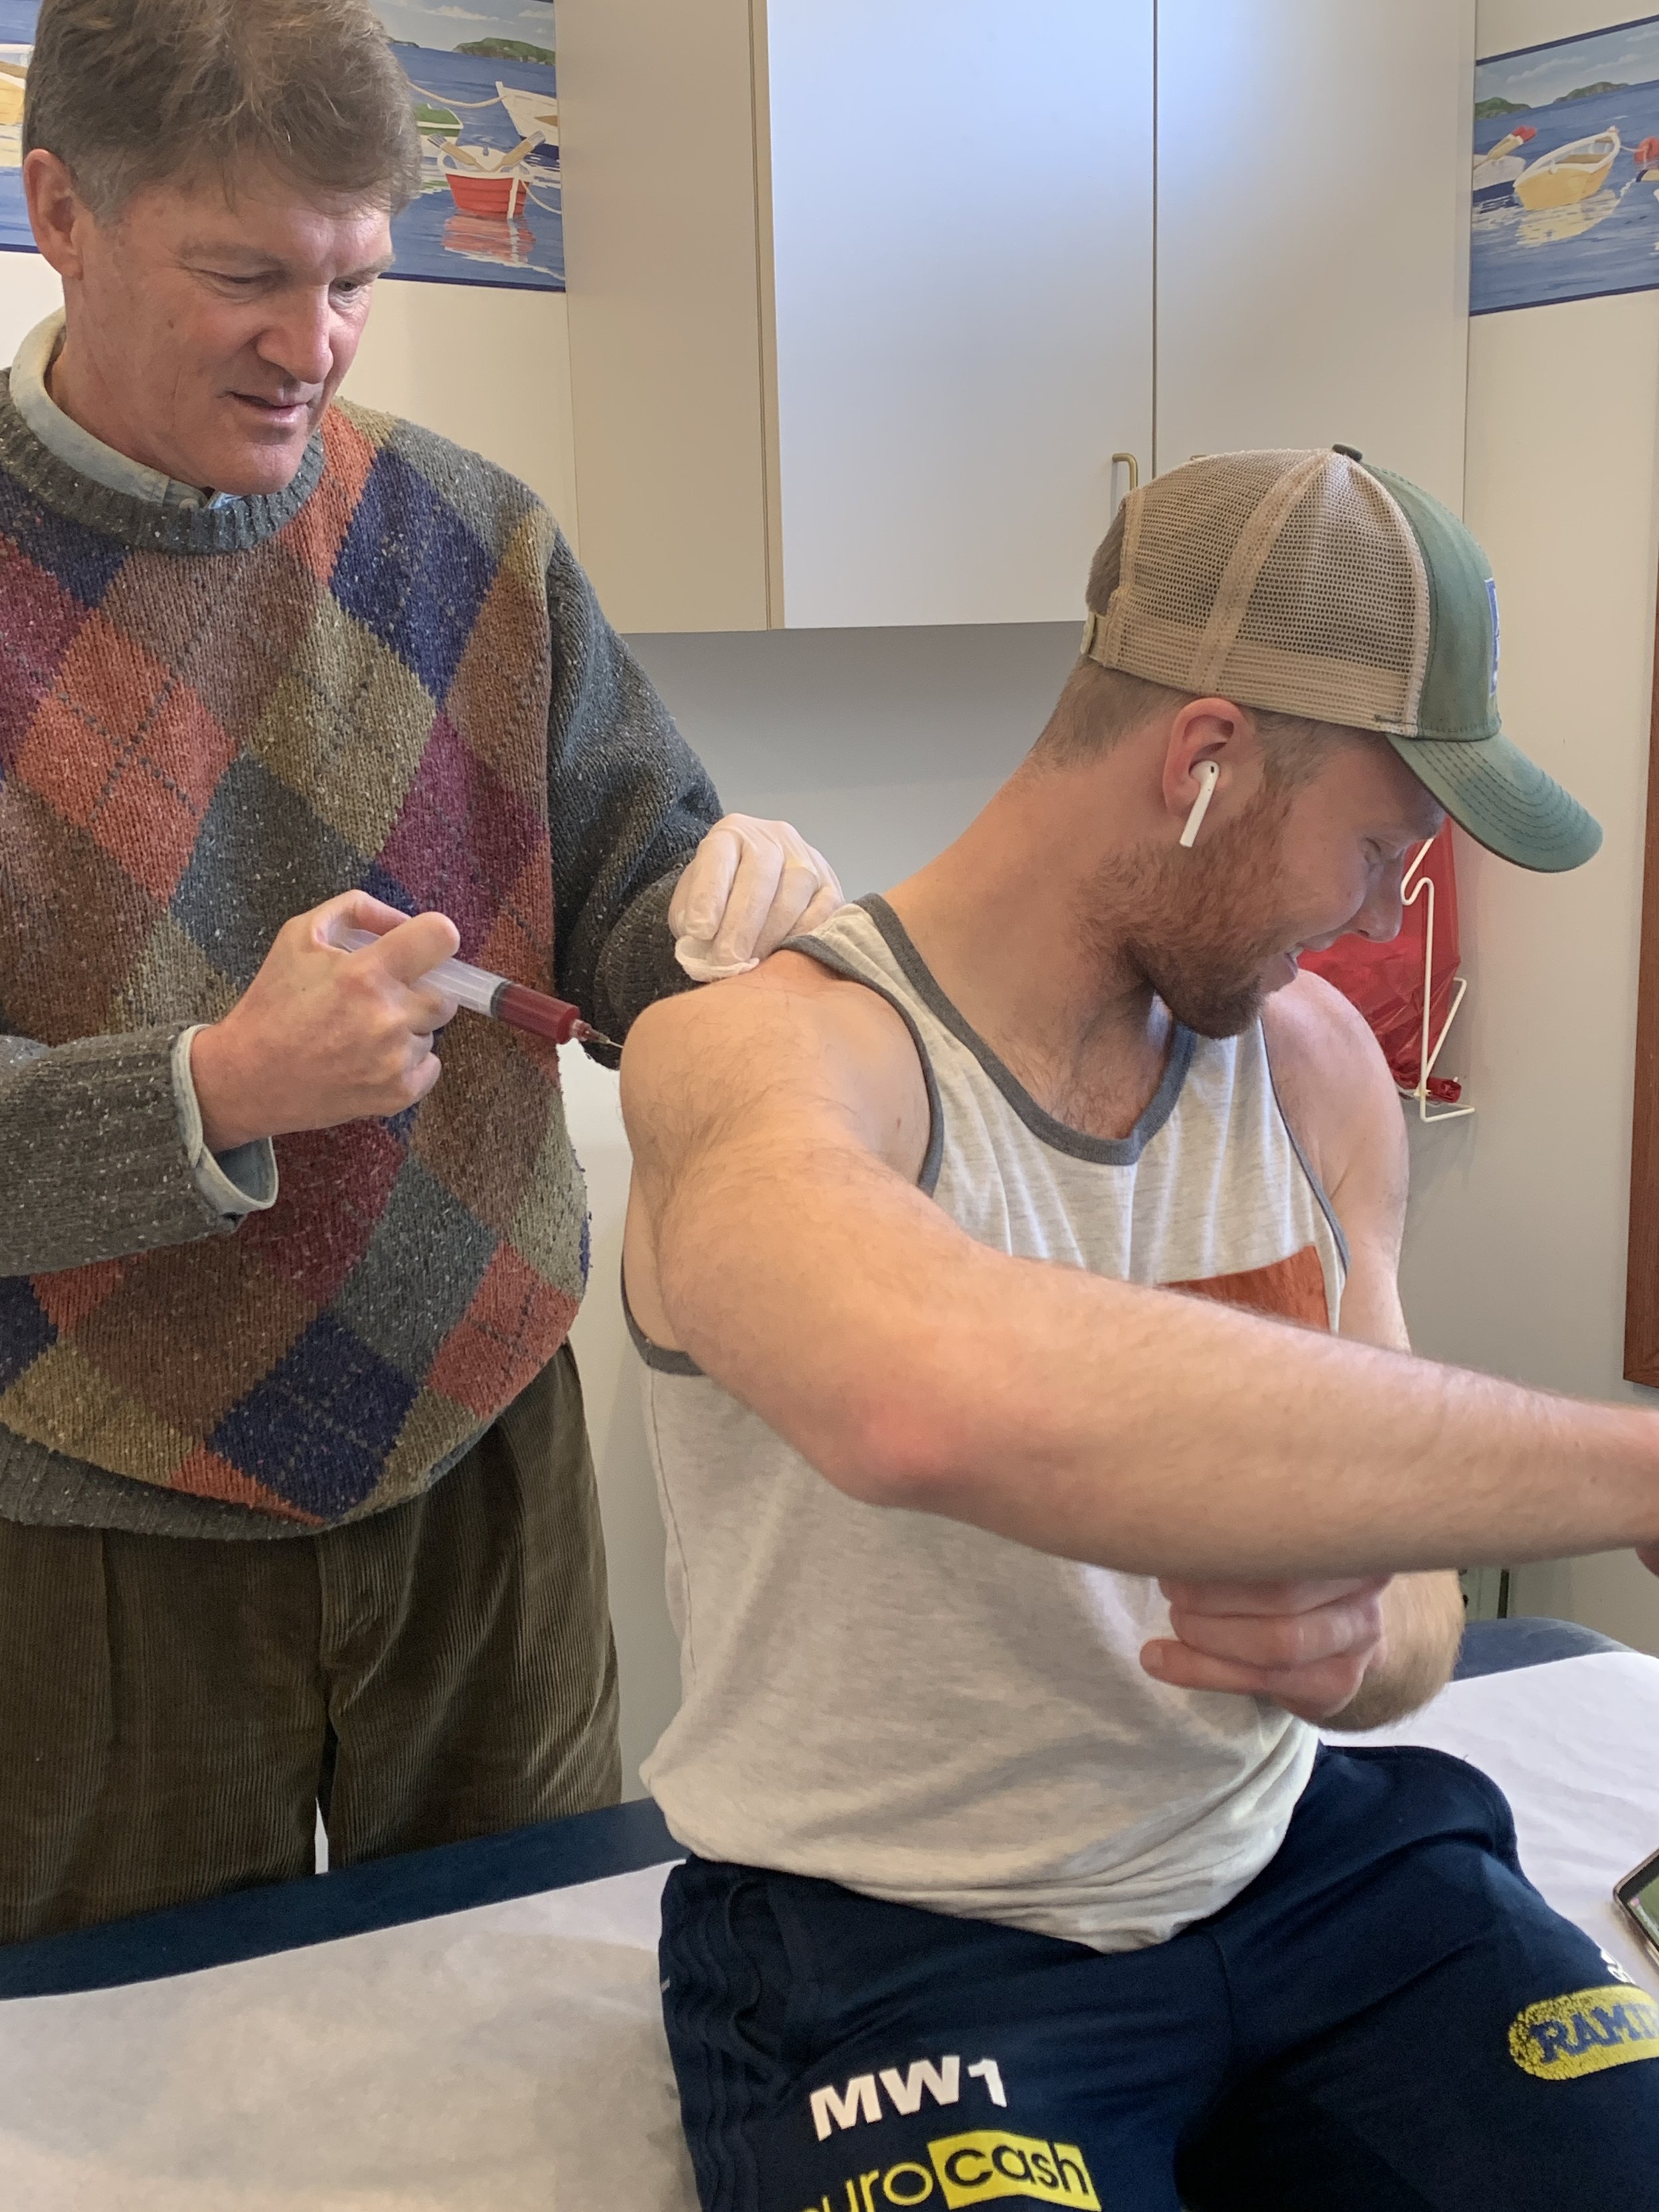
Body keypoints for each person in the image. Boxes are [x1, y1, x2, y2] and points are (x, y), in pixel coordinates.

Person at [621, 447, 1659, 2209]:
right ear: (1203, 761)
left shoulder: (1320, 1071)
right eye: (1379, 849)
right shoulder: (764, 1057)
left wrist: (1360, 1649)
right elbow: (918, 1400)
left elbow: (1409, 1602)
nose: (1376, 914)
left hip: (1302, 1868)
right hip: (901, 1934)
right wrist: (1629, 1472)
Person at [0, 0, 841, 1945]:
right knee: (119, 2093)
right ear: (63, 207)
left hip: (481, 1467)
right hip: (80, 1509)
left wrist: (726, 934)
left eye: (356, 279)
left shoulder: (479, 538)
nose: (312, 348)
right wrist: (208, 1093)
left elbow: (638, 911)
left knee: (525, 1997)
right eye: (246, 279)